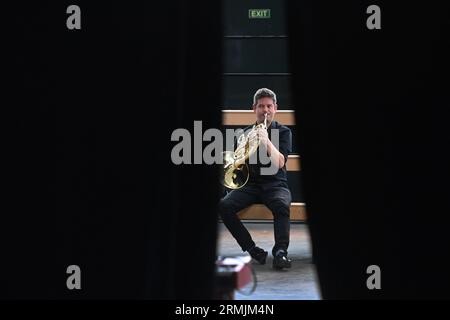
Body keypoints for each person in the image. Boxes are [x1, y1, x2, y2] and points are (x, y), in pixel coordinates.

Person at [219, 88, 293, 270]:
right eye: (261, 106)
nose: (265, 110)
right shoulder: (245, 133)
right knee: (224, 206)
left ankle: (280, 253)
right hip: (250, 185)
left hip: (275, 185)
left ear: (275, 108)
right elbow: (238, 166)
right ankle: (253, 250)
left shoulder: (283, 132)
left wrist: (266, 141)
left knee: (282, 205)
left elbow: (280, 162)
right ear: (254, 108)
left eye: (269, 106)